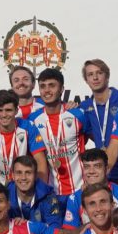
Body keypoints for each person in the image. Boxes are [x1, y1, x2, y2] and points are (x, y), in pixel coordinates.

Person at [78, 59, 118, 192]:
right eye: (90, 74)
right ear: (86, 80)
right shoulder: (85, 107)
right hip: (105, 174)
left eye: (99, 73)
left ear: (107, 76)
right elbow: (90, 133)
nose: (95, 77)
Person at [28, 68, 88, 197]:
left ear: (61, 89)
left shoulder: (77, 114)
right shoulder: (33, 120)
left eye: (52, 85)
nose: (47, 90)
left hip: (80, 189)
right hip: (50, 192)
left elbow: (93, 140)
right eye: (42, 86)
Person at [0, 90, 47, 186]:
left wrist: (39, 190)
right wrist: (2, 194)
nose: (4, 115)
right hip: (0, 184)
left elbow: (40, 162)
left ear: (16, 111)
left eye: (8, 110)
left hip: (27, 184)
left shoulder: (28, 127)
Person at [62, 149, 118, 228]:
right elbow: (69, 232)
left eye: (97, 166)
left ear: (107, 169)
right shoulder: (75, 198)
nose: (91, 171)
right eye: (87, 167)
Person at [7, 155, 65, 226]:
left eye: (28, 173)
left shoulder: (48, 197)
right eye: (19, 173)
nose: (23, 178)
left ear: (35, 175)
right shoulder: (5, 197)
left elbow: (54, 230)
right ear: (13, 175)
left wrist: (29, 227)